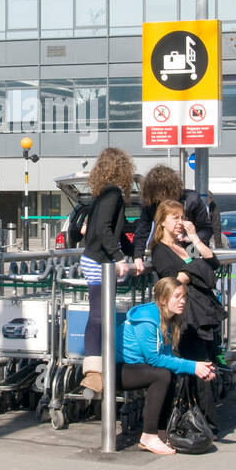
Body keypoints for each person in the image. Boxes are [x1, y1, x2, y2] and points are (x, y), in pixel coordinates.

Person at [149, 201, 225, 431]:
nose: (180, 222)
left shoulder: (185, 245)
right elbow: (171, 280)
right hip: (186, 315)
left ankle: (204, 418)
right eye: (175, 218)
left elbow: (212, 263)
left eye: (182, 217)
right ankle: (206, 423)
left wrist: (195, 239)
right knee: (197, 363)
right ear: (162, 221)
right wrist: (195, 271)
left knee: (208, 362)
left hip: (204, 312)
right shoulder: (160, 250)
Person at [120, 276, 216, 455]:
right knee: (162, 375)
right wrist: (193, 366)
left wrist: (199, 368)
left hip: (138, 367)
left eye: (184, 296)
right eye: (177, 296)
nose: (183, 301)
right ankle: (148, 436)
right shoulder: (148, 321)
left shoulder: (169, 319)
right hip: (119, 368)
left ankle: (162, 433)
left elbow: (166, 356)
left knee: (169, 373)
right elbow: (154, 359)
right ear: (163, 300)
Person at [78, 148, 133, 393]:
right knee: (99, 314)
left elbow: (116, 231)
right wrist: (120, 257)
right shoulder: (114, 194)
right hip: (99, 260)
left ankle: (98, 366)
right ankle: (93, 372)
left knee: (101, 313)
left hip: (94, 258)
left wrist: (134, 252)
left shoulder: (102, 194)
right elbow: (104, 229)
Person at [131, 165, 213, 273]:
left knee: (195, 275)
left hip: (192, 248)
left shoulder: (192, 200)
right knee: (172, 281)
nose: (161, 198)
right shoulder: (152, 203)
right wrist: (138, 257)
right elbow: (142, 232)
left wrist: (190, 238)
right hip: (166, 250)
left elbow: (206, 229)